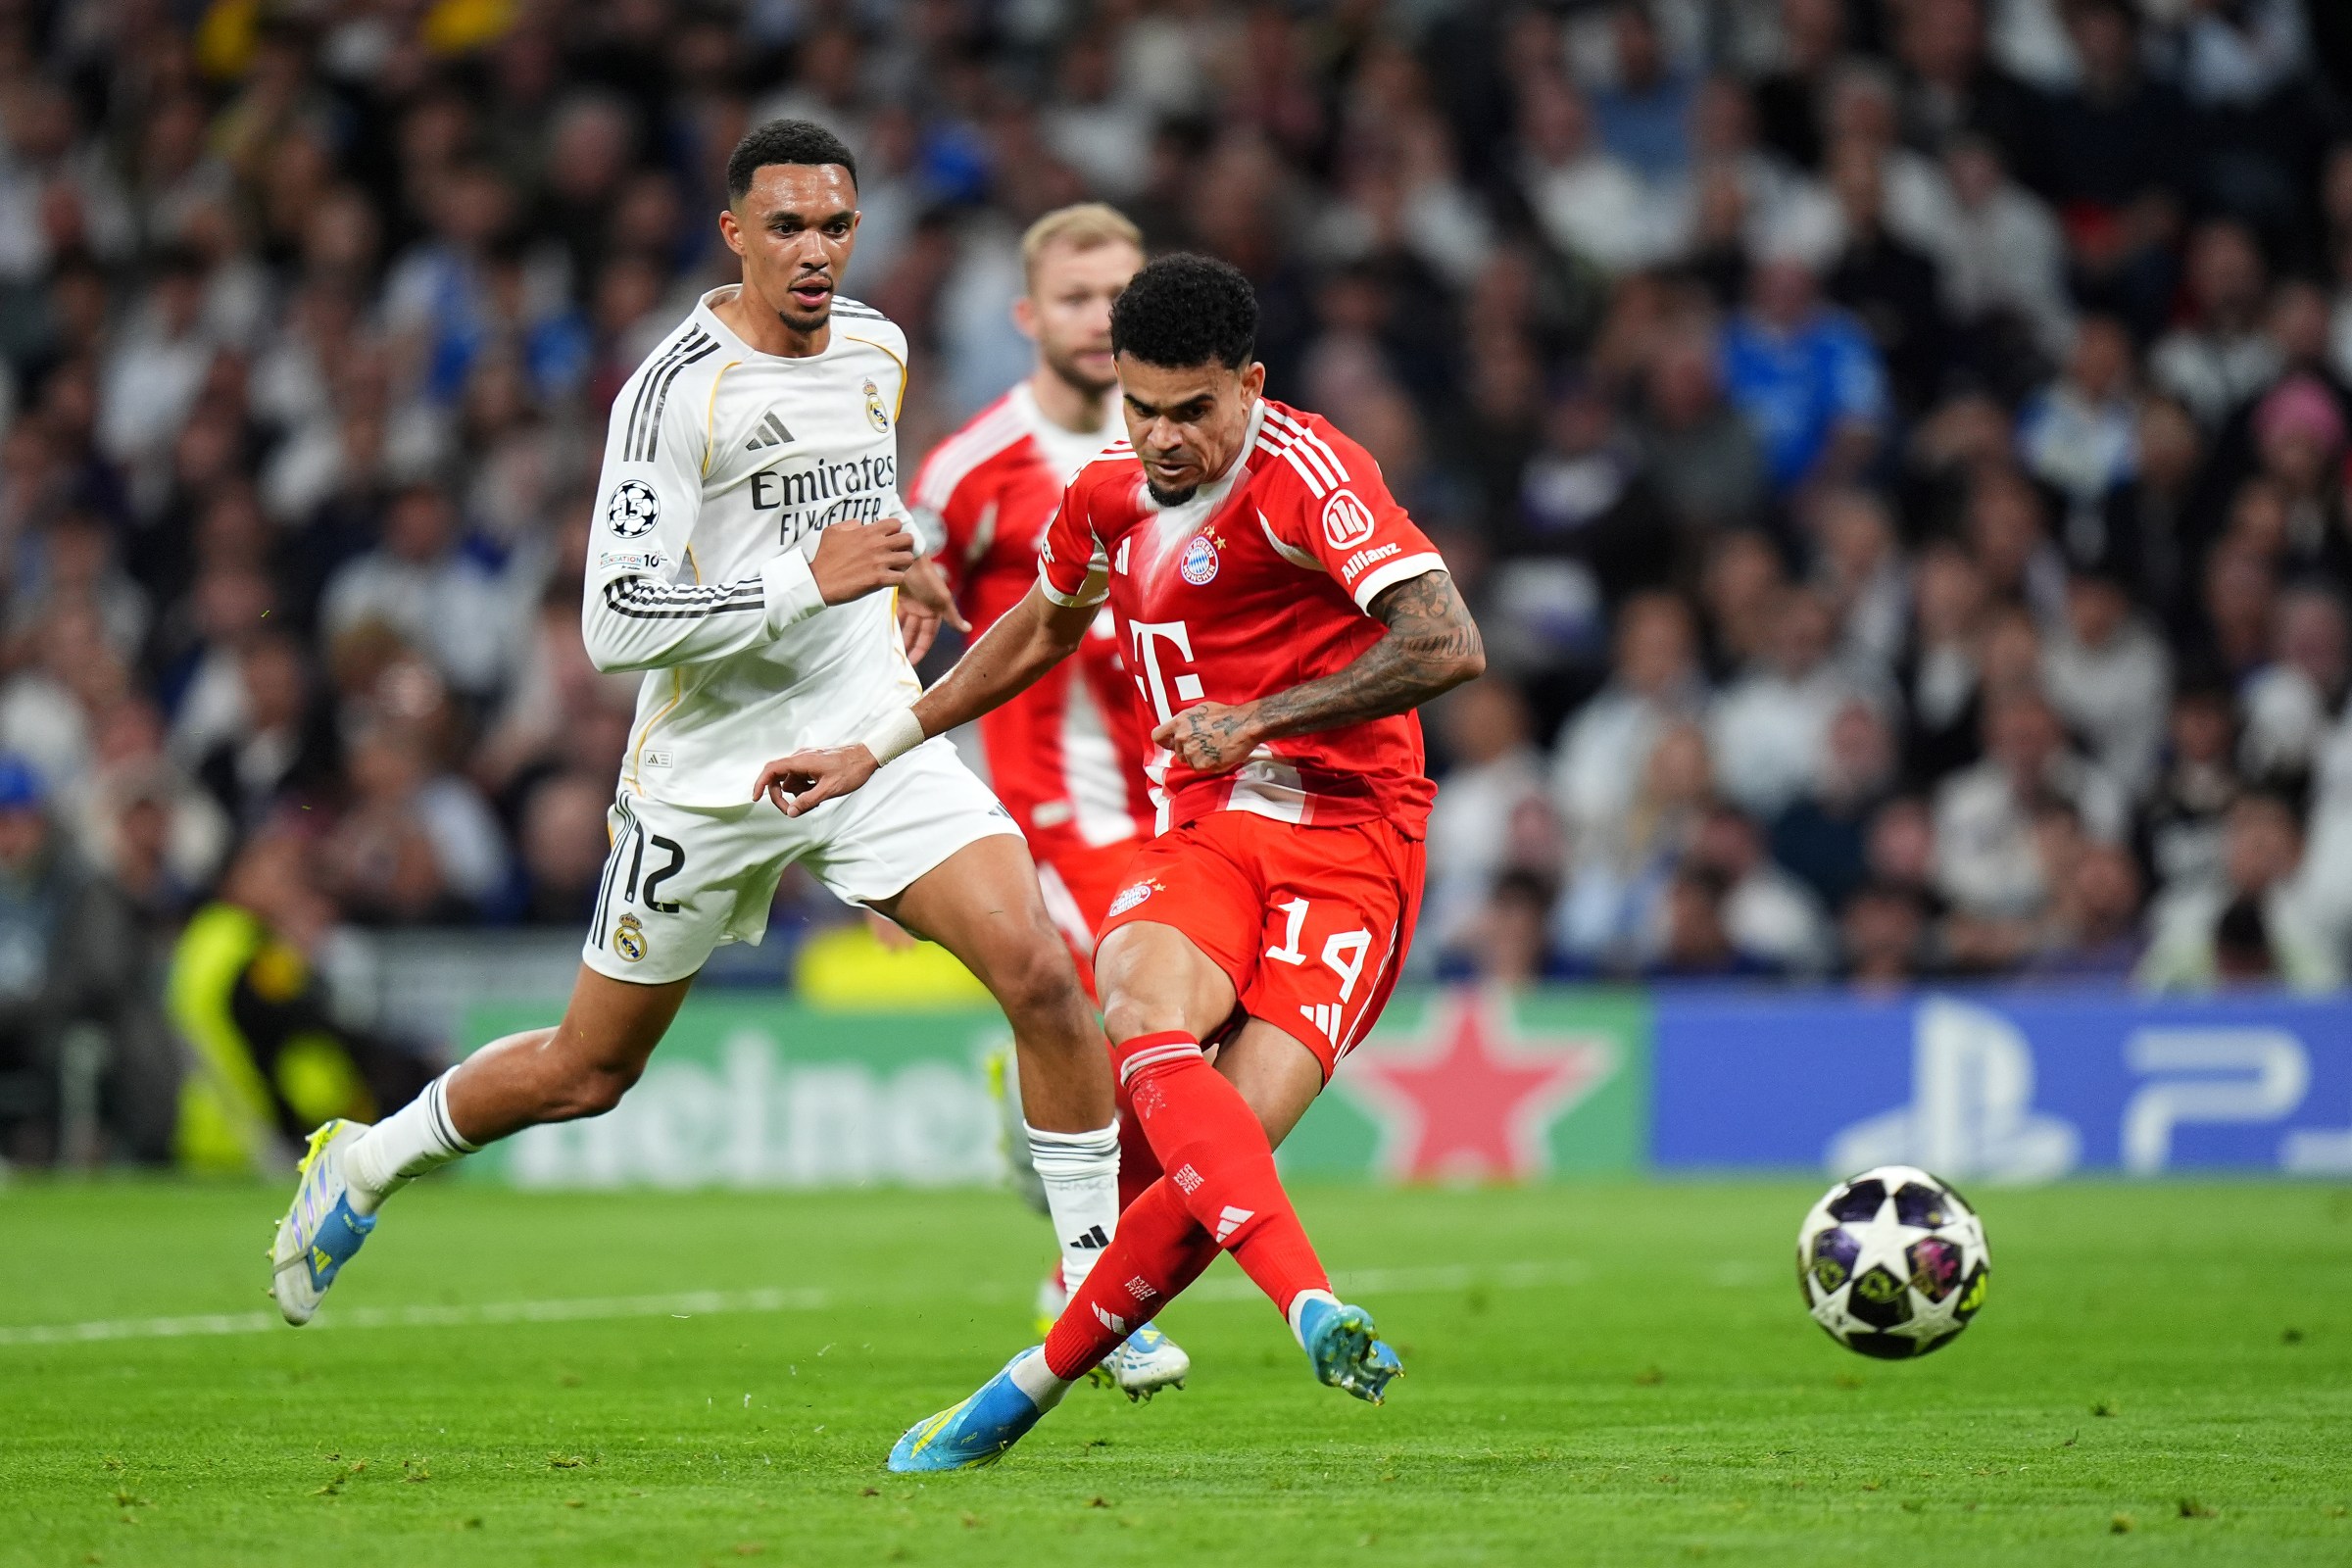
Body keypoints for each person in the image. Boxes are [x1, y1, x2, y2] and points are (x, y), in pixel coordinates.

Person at [267, 123, 1153, 1396]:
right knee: (588, 1074)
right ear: (733, 232)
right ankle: (367, 1158)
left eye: (836, 226)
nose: (814, 251)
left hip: (861, 739)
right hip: (709, 779)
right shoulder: (674, 390)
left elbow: (850, 507)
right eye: (786, 226)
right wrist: (807, 580)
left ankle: (1087, 1281)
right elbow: (613, 623)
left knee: (1041, 973)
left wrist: (901, 570)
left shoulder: (877, 349)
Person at [753, 255, 1486, 1468]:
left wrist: (1262, 717)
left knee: (1215, 1157)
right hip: (1209, 827)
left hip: (1356, 842)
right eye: (1141, 408)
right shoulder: (1107, 496)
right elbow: (1038, 625)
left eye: (1192, 409)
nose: (1162, 437)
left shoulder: (1312, 474)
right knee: (1135, 1007)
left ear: (1249, 385)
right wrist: (874, 747)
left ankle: (1018, 1394)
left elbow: (1448, 640)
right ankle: (1310, 1301)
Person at [904, 201, 1186, 1391]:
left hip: (1187, 796)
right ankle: (1090, 1284)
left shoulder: (1188, 445)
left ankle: (1051, 1162)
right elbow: (903, 598)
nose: (1098, 319)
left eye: (1120, 297)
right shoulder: (977, 466)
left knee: (1194, 1061)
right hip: (1054, 810)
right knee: (1156, 1040)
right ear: (1028, 315)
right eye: (1075, 298)